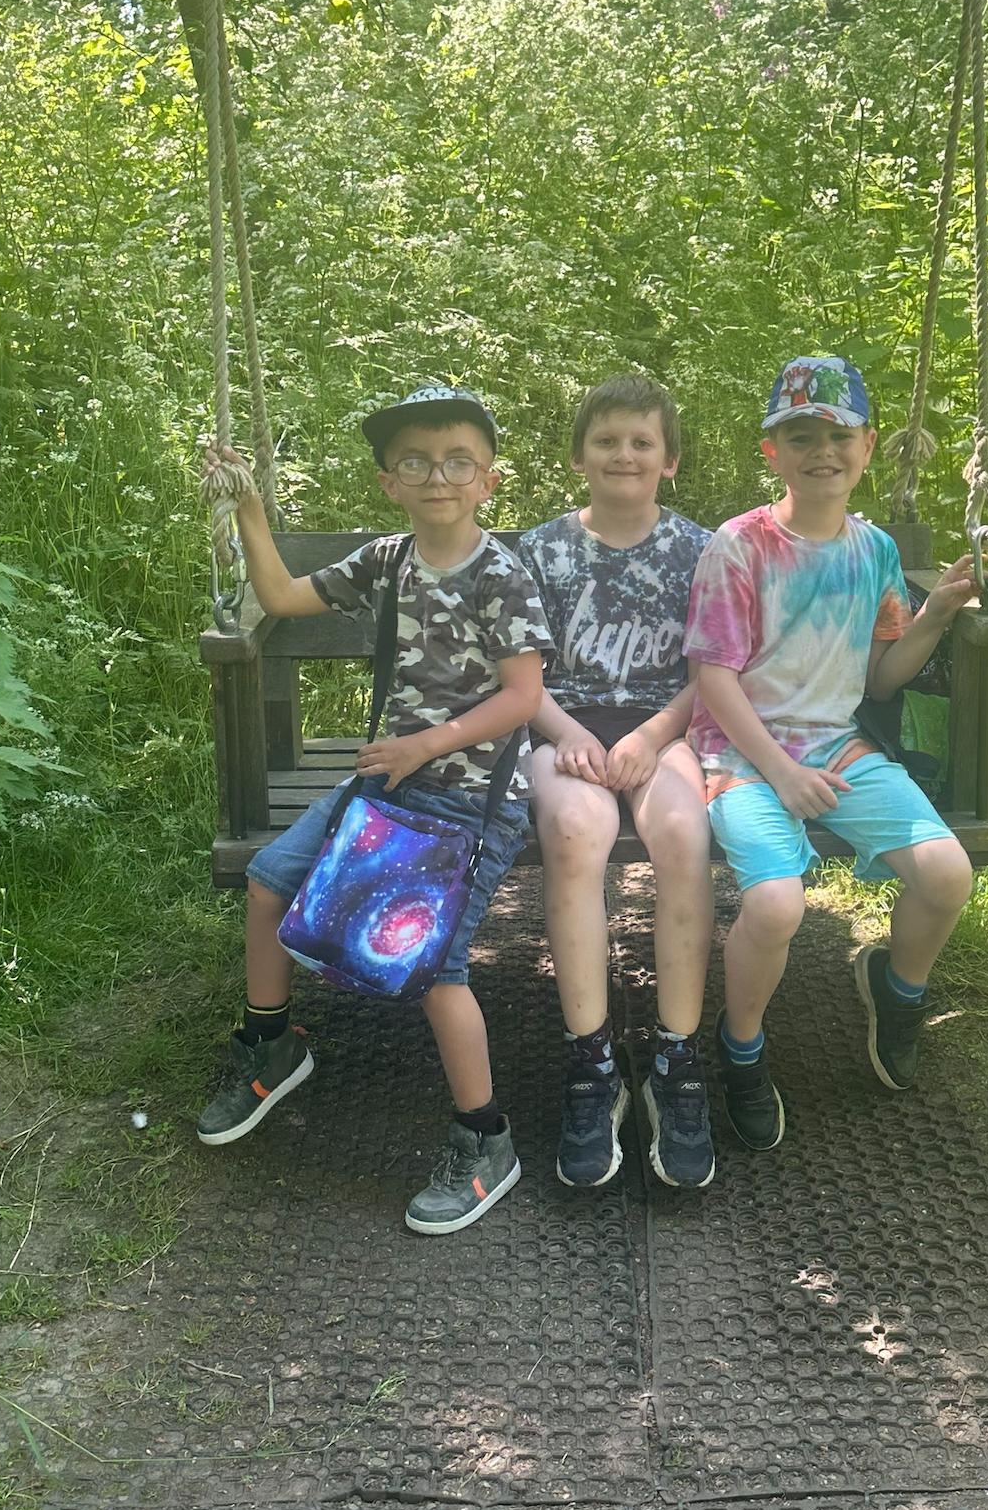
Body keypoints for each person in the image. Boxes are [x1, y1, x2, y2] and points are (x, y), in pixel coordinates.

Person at [198, 384, 553, 1237]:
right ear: (390, 482)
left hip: (471, 795)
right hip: (387, 781)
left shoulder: (501, 574)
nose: (438, 477)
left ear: (488, 480)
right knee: (269, 880)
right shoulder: (387, 561)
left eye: (458, 462)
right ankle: (273, 1044)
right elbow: (282, 596)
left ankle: (485, 1140)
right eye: (415, 463)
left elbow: (524, 697)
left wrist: (424, 746)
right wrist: (249, 509)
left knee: (436, 969)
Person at [683, 355, 977, 1146]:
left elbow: (880, 678)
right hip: (741, 755)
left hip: (837, 747)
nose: (823, 451)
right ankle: (742, 1047)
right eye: (801, 436)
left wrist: (934, 617)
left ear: (868, 446)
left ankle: (897, 989)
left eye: (839, 435)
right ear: (772, 451)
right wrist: (781, 773)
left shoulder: (873, 550)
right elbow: (713, 679)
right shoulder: (739, 546)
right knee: (776, 905)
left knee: (948, 875)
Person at [519, 375, 715, 1190]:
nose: (623, 455)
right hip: (560, 726)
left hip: (662, 728)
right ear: (578, 456)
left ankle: (675, 1060)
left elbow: (715, 673)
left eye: (641, 442)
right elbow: (519, 674)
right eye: (606, 441)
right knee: (574, 831)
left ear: (670, 460)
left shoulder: (703, 550)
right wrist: (566, 733)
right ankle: (592, 1063)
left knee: (683, 830)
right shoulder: (540, 551)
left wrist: (653, 735)